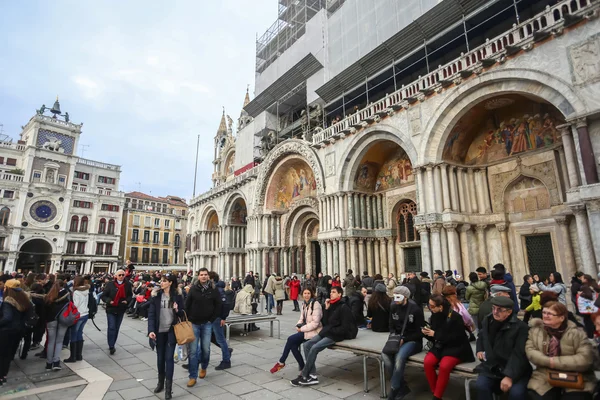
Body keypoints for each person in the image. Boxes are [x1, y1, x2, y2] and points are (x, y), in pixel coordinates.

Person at [526, 301, 597, 399]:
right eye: (544, 312)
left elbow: (585, 359)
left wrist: (553, 362)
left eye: (550, 313)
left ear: (561, 318)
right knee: (537, 395)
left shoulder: (577, 333)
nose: (545, 316)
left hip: (576, 376)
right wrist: (549, 363)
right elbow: (531, 352)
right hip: (544, 375)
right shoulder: (535, 331)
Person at [290, 286, 357, 387]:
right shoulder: (331, 305)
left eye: (334, 292)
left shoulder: (344, 307)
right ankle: (312, 375)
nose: (331, 294)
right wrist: (326, 308)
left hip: (335, 335)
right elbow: (325, 322)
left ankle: (304, 375)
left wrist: (331, 330)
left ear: (339, 294)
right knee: (307, 345)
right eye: (331, 292)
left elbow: (344, 328)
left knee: (314, 348)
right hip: (326, 332)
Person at [475, 296, 531, 399]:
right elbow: (482, 336)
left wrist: (509, 376)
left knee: (516, 393)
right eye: (493, 308)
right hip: (492, 367)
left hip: (514, 369)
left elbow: (519, 354)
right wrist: (479, 349)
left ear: (509, 312)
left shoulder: (521, 328)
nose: (495, 312)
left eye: (499, 309)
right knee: (481, 386)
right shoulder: (488, 320)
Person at [422, 294, 474, 400]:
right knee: (428, 362)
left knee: (444, 366)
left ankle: (437, 396)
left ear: (440, 307)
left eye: (432, 306)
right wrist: (426, 333)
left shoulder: (455, 317)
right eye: (429, 305)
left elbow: (457, 338)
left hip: (456, 348)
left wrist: (435, 334)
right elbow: (435, 338)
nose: (429, 308)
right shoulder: (434, 316)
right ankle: (435, 390)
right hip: (440, 346)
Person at [382, 286, 424, 400]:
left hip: (412, 341)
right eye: (394, 296)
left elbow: (420, 332)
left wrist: (404, 340)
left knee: (399, 357)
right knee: (385, 355)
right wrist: (393, 337)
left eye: (398, 296)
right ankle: (402, 387)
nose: (395, 299)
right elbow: (391, 324)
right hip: (397, 338)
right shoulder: (393, 306)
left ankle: (395, 389)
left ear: (405, 297)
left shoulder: (415, 309)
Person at [148, 274, 185, 400]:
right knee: (160, 359)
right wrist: (151, 330)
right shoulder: (156, 296)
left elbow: (183, 313)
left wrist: (177, 310)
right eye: (161, 281)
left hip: (172, 330)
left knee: (169, 359)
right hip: (159, 331)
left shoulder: (178, 296)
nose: (161, 283)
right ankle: (160, 382)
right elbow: (152, 314)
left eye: (164, 281)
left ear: (170, 283)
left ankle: (168, 389)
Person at [271, 288, 322, 375]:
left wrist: (301, 329)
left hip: (314, 331)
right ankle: (302, 367)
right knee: (293, 345)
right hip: (306, 330)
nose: (306, 295)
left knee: (290, 339)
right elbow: (301, 318)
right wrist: (298, 325)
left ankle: (282, 361)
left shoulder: (315, 304)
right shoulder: (304, 304)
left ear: (312, 294)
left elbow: (315, 324)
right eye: (305, 293)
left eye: (308, 293)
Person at [185, 268, 221, 387]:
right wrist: (188, 319)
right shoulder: (193, 289)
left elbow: (218, 305)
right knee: (193, 351)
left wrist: (212, 319)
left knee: (206, 349)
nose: (204, 277)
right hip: (194, 323)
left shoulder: (213, 290)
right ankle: (192, 376)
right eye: (201, 275)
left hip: (207, 323)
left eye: (205, 275)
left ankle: (204, 367)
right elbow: (187, 304)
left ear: (208, 277)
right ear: (198, 276)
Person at [0, 279, 30, 384]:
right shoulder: (24, 298)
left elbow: (7, 318)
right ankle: (3, 375)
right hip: (18, 330)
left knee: (2, 354)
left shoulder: (8, 301)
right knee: (8, 355)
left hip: (6, 331)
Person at [102, 269, 133, 355]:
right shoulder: (110, 284)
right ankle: (111, 345)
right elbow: (104, 295)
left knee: (116, 328)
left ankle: (113, 342)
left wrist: (127, 301)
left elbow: (130, 295)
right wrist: (109, 301)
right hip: (111, 308)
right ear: (115, 276)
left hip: (121, 308)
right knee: (111, 327)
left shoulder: (127, 284)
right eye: (119, 275)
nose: (121, 277)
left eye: (123, 275)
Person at [44, 279, 71, 370]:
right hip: (63, 319)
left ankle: (48, 363)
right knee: (59, 341)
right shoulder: (67, 294)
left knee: (51, 342)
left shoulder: (49, 295)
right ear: (63, 285)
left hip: (51, 320)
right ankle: (56, 362)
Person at [209, 272, 232, 371]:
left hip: (217, 318)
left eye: (208, 277)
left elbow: (225, 304)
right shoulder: (211, 289)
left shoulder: (218, 290)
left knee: (220, 339)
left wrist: (223, 317)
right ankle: (197, 360)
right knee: (204, 339)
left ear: (212, 279)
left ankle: (226, 361)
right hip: (209, 318)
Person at [64, 276, 89, 363]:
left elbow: (76, 305)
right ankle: (79, 355)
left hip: (78, 314)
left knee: (74, 334)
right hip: (85, 313)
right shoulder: (86, 291)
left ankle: (73, 356)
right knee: (79, 333)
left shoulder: (77, 292)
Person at [578, 274, 600, 338]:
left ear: (586, 279)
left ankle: (590, 335)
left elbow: (589, 295)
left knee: (587, 320)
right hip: (592, 305)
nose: (581, 279)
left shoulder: (585, 286)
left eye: (582, 278)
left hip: (587, 305)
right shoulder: (592, 285)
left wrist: (581, 294)